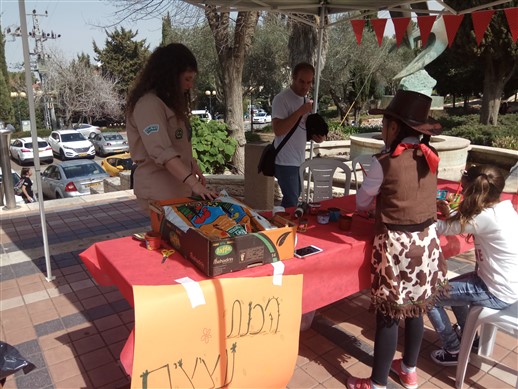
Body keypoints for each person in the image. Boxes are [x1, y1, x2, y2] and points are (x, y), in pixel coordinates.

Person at [348, 90, 448, 389]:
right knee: (416, 307)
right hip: (427, 242)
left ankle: (377, 383)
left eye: (384, 124)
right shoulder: (429, 158)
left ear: (395, 127)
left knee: (389, 312)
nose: (382, 130)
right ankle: (408, 370)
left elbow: (362, 203)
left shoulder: (383, 163)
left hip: (396, 246)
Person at [427, 164, 518, 366]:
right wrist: (448, 211)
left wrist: (415, 217)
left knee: (428, 296)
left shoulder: (485, 217)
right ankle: (470, 338)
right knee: (448, 287)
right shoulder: (503, 208)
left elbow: (442, 228)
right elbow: (461, 224)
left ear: (472, 190)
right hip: (504, 285)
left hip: (495, 291)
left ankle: (453, 349)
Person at [126, 43, 217, 212]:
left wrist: (192, 164)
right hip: (159, 191)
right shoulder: (149, 105)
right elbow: (162, 151)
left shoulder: (168, 103)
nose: (190, 85)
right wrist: (194, 183)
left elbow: (178, 143)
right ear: (170, 77)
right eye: (187, 79)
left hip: (177, 189)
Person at [271, 62, 326, 208]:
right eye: (302, 81)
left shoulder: (305, 101)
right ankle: (285, 228)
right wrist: (300, 111)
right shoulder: (281, 99)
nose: (305, 86)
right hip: (285, 161)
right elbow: (278, 130)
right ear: (294, 78)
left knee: (292, 201)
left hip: (300, 160)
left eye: (309, 82)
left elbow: (301, 129)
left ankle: (283, 224)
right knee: (291, 201)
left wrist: (315, 137)